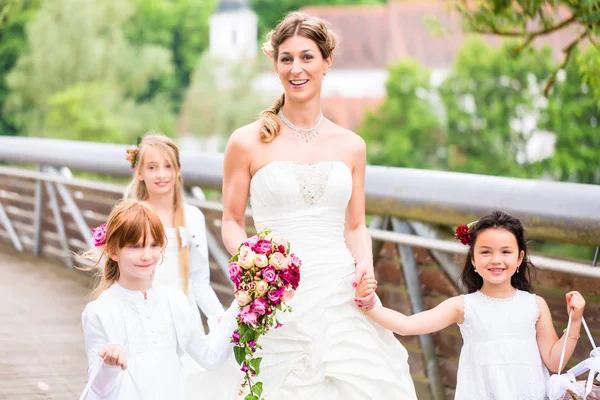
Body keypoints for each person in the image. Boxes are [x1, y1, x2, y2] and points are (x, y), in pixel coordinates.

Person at [221, 11, 417, 399]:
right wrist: (256, 266)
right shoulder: (245, 142)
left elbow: (356, 225)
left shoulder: (352, 145)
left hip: (341, 294)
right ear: (275, 64)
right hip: (279, 298)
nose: (297, 68)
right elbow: (230, 220)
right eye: (287, 58)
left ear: (327, 62)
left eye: (307, 57)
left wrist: (366, 266)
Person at [356, 210, 586, 400]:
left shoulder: (535, 305)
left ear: (519, 259)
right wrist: (371, 306)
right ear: (474, 260)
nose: (496, 259)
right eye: (486, 252)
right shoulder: (463, 306)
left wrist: (574, 321)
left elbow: (555, 362)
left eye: (506, 252)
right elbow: (407, 325)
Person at [80, 199, 237, 400]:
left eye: (153, 245)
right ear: (113, 250)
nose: (147, 255)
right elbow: (98, 390)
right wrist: (109, 365)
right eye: (135, 247)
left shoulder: (175, 302)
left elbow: (210, 357)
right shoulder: (100, 311)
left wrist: (242, 305)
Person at [124, 133, 240, 399]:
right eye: (152, 167)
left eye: (168, 166)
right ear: (140, 172)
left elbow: (199, 280)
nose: (161, 174)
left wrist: (216, 316)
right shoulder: (132, 214)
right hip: (144, 316)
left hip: (183, 317)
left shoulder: (192, 217)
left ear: (178, 171)